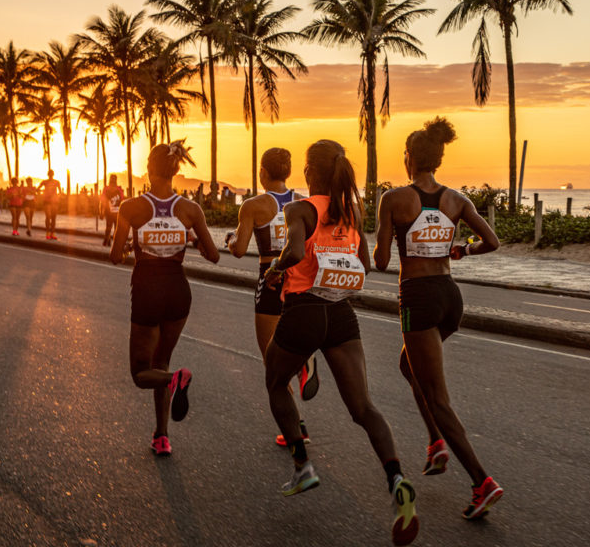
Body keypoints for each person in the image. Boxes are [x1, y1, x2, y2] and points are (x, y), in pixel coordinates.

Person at [263, 140, 418, 546]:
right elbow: (364, 265)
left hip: (304, 312)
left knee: (275, 382)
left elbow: (295, 251)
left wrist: (276, 270)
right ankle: (396, 478)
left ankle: (302, 466)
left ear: (309, 171)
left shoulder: (300, 209)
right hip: (342, 317)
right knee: (364, 408)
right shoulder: (353, 211)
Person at [374, 118, 503, 520]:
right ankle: (435, 443)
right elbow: (492, 242)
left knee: (437, 397)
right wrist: (460, 250)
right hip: (451, 298)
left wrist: (390, 240)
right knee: (407, 367)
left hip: (418, 298)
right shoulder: (457, 199)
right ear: (439, 159)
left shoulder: (393, 199)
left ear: (408, 158)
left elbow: (379, 261)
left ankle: (482, 481)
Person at [110, 140, 220, 456]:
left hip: (146, 291)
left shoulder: (131, 207)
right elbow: (213, 256)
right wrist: (191, 238)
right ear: (175, 171)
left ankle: (176, 380)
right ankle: (161, 435)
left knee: (142, 372)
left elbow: (115, 257)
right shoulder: (190, 209)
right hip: (178, 292)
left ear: (149, 169)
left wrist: (132, 246)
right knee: (162, 360)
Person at [227, 148, 320, 447]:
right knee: (288, 350)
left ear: (262, 173)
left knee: (272, 362)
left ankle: (297, 427)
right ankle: (304, 365)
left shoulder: (253, 205)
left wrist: (230, 240)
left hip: (269, 279)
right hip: (300, 281)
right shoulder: (304, 202)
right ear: (289, 172)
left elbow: (240, 249)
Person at [101, 175, 125, 247]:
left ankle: (107, 241)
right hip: (117, 211)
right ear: (116, 180)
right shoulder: (119, 189)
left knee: (108, 227)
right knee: (116, 228)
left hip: (109, 212)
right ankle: (115, 242)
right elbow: (122, 200)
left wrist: (101, 212)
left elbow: (103, 201)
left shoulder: (106, 189)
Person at [39, 170, 61, 240]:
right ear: (48, 174)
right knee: (48, 216)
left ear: (53, 174)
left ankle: (52, 233)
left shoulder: (57, 182)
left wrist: (57, 197)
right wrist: (44, 193)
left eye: (52, 174)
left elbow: (60, 191)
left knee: (54, 218)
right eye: (49, 174)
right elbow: (38, 189)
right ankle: (47, 233)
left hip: (54, 201)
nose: (51, 175)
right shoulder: (44, 182)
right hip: (47, 201)